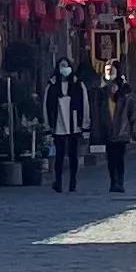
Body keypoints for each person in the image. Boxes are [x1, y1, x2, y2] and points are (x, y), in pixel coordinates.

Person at [46, 63, 87, 192]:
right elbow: (46, 105)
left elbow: (84, 104)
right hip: (58, 124)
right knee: (59, 155)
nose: (64, 69)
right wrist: (48, 124)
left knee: (73, 154)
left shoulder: (77, 84)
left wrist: (85, 123)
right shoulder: (52, 85)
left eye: (66, 65)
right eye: (61, 66)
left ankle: (73, 181)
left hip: (74, 124)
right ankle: (58, 181)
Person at [92, 61, 132, 191]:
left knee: (120, 157)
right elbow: (97, 111)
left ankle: (120, 182)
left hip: (121, 128)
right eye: (107, 70)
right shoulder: (101, 90)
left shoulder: (125, 89)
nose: (109, 73)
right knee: (110, 158)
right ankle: (113, 182)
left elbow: (132, 111)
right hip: (107, 128)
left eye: (111, 70)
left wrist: (133, 129)